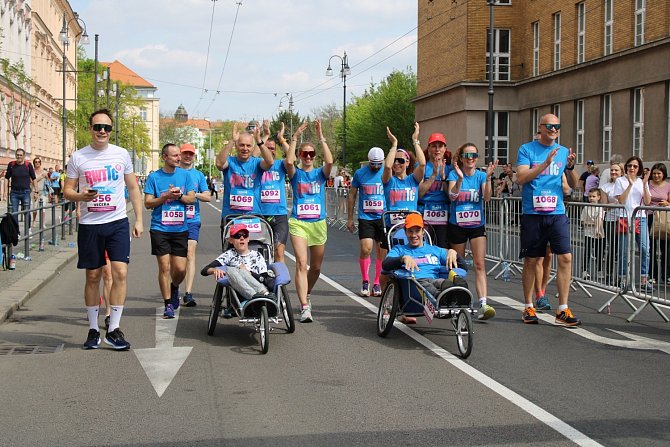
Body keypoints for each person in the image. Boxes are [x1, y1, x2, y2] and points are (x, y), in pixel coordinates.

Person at [62, 109, 144, 350]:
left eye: (107, 128)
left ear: (111, 131)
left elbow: (133, 188)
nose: (102, 131)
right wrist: (81, 195)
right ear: (90, 128)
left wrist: (138, 220)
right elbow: (67, 190)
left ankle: (114, 329)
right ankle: (93, 329)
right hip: (90, 225)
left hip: (117, 222)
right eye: (98, 126)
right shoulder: (78, 157)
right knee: (93, 276)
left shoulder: (121, 155)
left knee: (120, 273)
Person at [517, 114, 581, 326]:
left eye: (557, 126)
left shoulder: (563, 152)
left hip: (556, 212)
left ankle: (562, 308)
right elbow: (521, 178)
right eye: (550, 126)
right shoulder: (526, 150)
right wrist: (545, 163)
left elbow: (573, 185)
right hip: (533, 213)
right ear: (541, 128)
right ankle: (528, 306)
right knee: (532, 260)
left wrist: (570, 168)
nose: (554, 129)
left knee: (565, 258)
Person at [286, 120, 333, 323]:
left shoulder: (319, 175)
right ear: (299, 156)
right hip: (298, 222)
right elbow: (288, 163)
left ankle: (307, 293)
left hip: (318, 223)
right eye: (304, 154)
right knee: (301, 264)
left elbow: (330, 162)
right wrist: (295, 137)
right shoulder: (296, 174)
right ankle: (304, 306)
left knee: (315, 268)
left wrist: (321, 137)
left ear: (314, 157)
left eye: (311, 154)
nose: (307, 157)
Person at [144, 143, 196, 319]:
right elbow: (148, 203)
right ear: (165, 157)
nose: (178, 158)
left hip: (180, 228)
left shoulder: (185, 175)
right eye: (174, 156)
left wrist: (179, 196)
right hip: (160, 228)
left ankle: (174, 287)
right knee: (164, 267)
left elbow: (191, 198)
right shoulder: (154, 177)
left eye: (179, 155)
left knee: (180, 270)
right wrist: (165, 196)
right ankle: (168, 304)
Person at [447, 142, 497, 320]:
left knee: (479, 264)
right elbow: (452, 196)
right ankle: (457, 300)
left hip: (476, 225)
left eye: (474, 156)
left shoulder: (481, 176)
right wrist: (460, 180)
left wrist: (489, 178)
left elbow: (487, 198)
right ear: (461, 158)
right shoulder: (454, 174)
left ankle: (483, 303)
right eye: (467, 156)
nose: (471, 159)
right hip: (457, 226)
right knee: (458, 266)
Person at [381, 214, 462, 324]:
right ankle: (442, 299)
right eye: (410, 231)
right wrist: (402, 258)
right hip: (415, 284)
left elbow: (463, 266)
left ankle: (459, 297)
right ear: (405, 232)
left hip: (434, 280)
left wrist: (454, 253)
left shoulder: (435, 250)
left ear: (423, 231)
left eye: (417, 231)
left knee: (447, 283)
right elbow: (385, 265)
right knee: (427, 287)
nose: (414, 235)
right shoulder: (399, 249)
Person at [214, 122, 274, 249]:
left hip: (254, 216)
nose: (245, 148)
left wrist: (259, 141)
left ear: (252, 148)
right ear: (236, 146)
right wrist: (232, 140)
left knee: (255, 252)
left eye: (248, 146)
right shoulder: (230, 162)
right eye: (241, 145)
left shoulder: (257, 163)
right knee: (231, 254)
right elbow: (219, 163)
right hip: (231, 216)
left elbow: (269, 162)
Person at [347, 145, 386, 297]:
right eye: (373, 164)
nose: (376, 167)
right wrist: (350, 217)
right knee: (366, 249)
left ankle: (377, 282)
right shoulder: (360, 173)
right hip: (366, 217)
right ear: (369, 162)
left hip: (383, 217)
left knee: (381, 252)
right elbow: (352, 194)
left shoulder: (387, 173)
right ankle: (365, 280)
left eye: (379, 164)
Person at [200, 223, 275, 300]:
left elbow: (263, 278)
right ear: (231, 240)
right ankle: (254, 295)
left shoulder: (257, 255)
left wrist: (248, 272)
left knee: (241, 271)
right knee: (229, 269)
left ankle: (262, 293)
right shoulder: (229, 255)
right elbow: (204, 270)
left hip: (259, 287)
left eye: (245, 235)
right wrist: (214, 270)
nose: (242, 238)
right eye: (237, 236)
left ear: (248, 239)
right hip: (239, 294)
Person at [612, 156, 652, 292]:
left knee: (645, 249)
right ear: (626, 167)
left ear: (639, 168)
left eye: (635, 166)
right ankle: (623, 278)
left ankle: (644, 279)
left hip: (640, 218)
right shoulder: (620, 181)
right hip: (625, 217)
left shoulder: (642, 181)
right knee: (624, 251)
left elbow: (647, 202)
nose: (632, 168)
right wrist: (629, 184)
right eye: (630, 166)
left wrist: (646, 184)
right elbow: (621, 200)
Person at [179, 143, 211, 307]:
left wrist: (193, 194)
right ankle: (173, 287)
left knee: (190, 254)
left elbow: (208, 197)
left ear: (194, 156)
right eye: (185, 153)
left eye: (190, 154)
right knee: (176, 259)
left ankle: (188, 293)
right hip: (173, 221)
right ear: (180, 154)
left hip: (192, 219)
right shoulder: (173, 173)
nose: (188, 156)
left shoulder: (198, 175)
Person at [254, 121, 290, 263]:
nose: (270, 150)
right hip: (260, 213)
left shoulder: (281, 164)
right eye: (267, 148)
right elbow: (254, 154)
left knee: (279, 252)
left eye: (273, 148)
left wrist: (281, 139)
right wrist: (265, 136)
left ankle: (278, 283)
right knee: (258, 253)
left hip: (279, 214)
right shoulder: (256, 165)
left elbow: (292, 156)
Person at [381, 124, 425, 219]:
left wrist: (415, 140)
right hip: (392, 226)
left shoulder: (413, 179)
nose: (396, 163)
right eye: (394, 160)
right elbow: (388, 166)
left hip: (411, 225)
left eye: (400, 161)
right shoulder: (389, 181)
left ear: (407, 163)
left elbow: (422, 164)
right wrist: (394, 144)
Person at [418, 132, 452, 248]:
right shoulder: (422, 166)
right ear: (428, 149)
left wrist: (443, 178)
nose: (437, 149)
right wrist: (433, 175)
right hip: (424, 212)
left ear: (445, 149)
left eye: (440, 146)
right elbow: (419, 193)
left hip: (444, 213)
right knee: (424, 248)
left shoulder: (450, 168)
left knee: (442, 249)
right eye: (434, 146)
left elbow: (451, 195)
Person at [600, 162, 625, 287]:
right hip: (610, 220)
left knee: (623, 249)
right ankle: (609, 274)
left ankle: (622, 276)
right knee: (613, 248)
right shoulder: (606, 187)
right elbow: (604, 206)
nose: (614, 172)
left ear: (622, 172)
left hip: (624, 219)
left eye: (616, 170)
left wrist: (616, 203)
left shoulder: (626, 185)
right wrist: (617, 203)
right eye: (612, 170)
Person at [648, 163, 670, 284]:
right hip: (649, 216)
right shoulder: (647, 184)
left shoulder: (668, 186)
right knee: (650, 247)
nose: (656, 176)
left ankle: (667, 275)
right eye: (654, 173)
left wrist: (667, 203)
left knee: (665, 247)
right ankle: (652, 275)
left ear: (663, 174)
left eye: (659, 173)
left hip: (663, 218)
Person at [5, 148, 37, 228]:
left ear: (24, 156)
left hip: (25, 192)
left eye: (20, 155)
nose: (19, 156)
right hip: (14, 193)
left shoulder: (28, 165)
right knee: (14, 213)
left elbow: (34, 178)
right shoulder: (11, 165)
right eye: (17, 155)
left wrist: (36, 192)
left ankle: (28, 229)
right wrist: (5, 192)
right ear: (16, 155)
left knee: (26, 212)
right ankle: (16, 232)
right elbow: (6, 178)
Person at [580, 188, 605, 280]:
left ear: (598, 197)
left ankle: (599, 270)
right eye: (590, 196)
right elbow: (582, 221)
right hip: (588, 233)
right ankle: (585, 271)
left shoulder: (600, 208)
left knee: (599, 253)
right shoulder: (586, 207)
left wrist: (597, 229)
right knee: (587, 251)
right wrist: (591, 223)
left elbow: (600, 219)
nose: (591, 198)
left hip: (599, 233)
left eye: (593, 196)